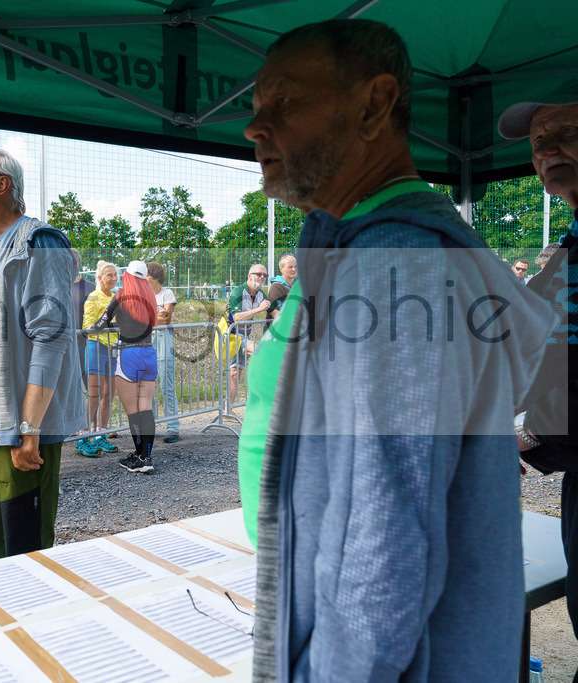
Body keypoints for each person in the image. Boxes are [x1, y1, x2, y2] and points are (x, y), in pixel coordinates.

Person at [238, 20, 556, 679]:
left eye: (285, 101)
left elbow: (381, 546)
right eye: (257, 105)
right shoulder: (372, 254)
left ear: (374, 105)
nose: (255, 127)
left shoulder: (394, 268)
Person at [0, 148, 85, 561]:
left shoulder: (39, 242)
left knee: (23, 553)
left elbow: (51, 338)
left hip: (16, 433)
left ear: (0, 185)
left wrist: (29, 428)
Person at [500, 89, 578, 676]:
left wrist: (530, 438)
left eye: (566, 133)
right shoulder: (572, 240)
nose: (547, 150)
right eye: (537, 142)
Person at [91, 261, 158, 473]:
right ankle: (146, 456)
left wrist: (96, 327)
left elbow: (102, 322)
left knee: (132, 411)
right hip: (149, 353)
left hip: (129, 355)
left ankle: (140, 457)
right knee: (145, 406)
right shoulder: (150, 296)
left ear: (127, 276)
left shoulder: (121, 295)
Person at [75, 260, 119, 457]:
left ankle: (101, 435)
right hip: (96, 346)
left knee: (108, 394)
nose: (114, 278)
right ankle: (82, 438)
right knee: (95, 393)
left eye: (115, 274)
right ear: (99, 278)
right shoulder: (93, 296)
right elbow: (87, 326)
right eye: (109, 275)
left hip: (113, 347)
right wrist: (104, 325)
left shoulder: (116, 296)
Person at [226, 264, 271, 403]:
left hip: (245, 336)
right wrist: (259, 309)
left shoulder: (260, 294)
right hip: (233, 335)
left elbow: (275, 311)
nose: (262, 277)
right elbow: (237, 318)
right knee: (259, 352)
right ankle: (262, 395)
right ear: (249, 275)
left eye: (265, 275)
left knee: (235, 373)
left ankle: (227, 408)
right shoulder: (238, 292)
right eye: (259, 274)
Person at [146, 262, 179, 443]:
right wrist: (156, 316)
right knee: (148, 383)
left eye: (147, 275)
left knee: (166, 381)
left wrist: (150, 317)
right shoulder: (143, 294)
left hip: (164, 338)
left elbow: (166, 319)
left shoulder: (167, 293)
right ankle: (150, 425)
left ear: (156, 277)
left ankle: (172, 427)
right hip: (147, 338)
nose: (144, 278)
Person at [70, 249, 96, 389]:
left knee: (89, 382)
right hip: (64, 341)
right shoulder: (58, 286)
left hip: (83, 342)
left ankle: (92, 403)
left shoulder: (90, 287)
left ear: (77, 264)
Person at [265, 254, 296, 319]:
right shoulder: (276, 287)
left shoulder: (298, 285)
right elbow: (281, 310)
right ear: (281, 269)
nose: (294, 269)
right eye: (290, 267)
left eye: (295, 266)